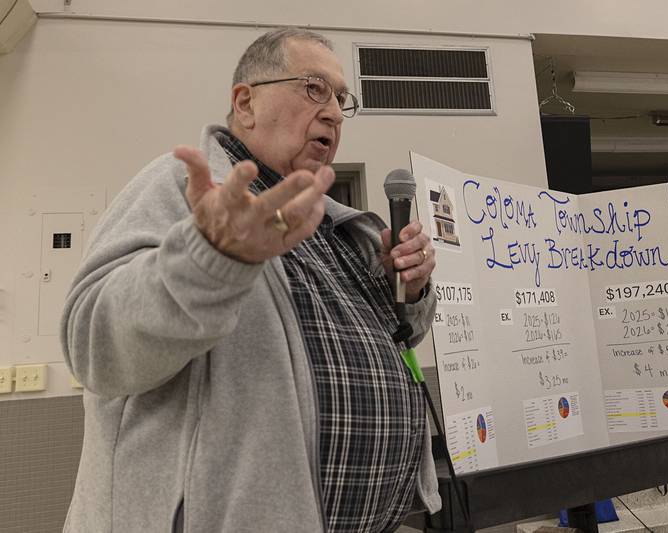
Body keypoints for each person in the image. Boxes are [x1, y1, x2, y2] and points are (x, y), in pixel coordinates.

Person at [61, 27, 441, 533]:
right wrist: (211, 258)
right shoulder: (179, 188)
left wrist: (410, 291)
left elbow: (399, 338)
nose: (332, 111)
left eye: (340, 98)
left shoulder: (341, 226)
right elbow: (93, 346)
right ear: (245, 104)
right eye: (313, 88)